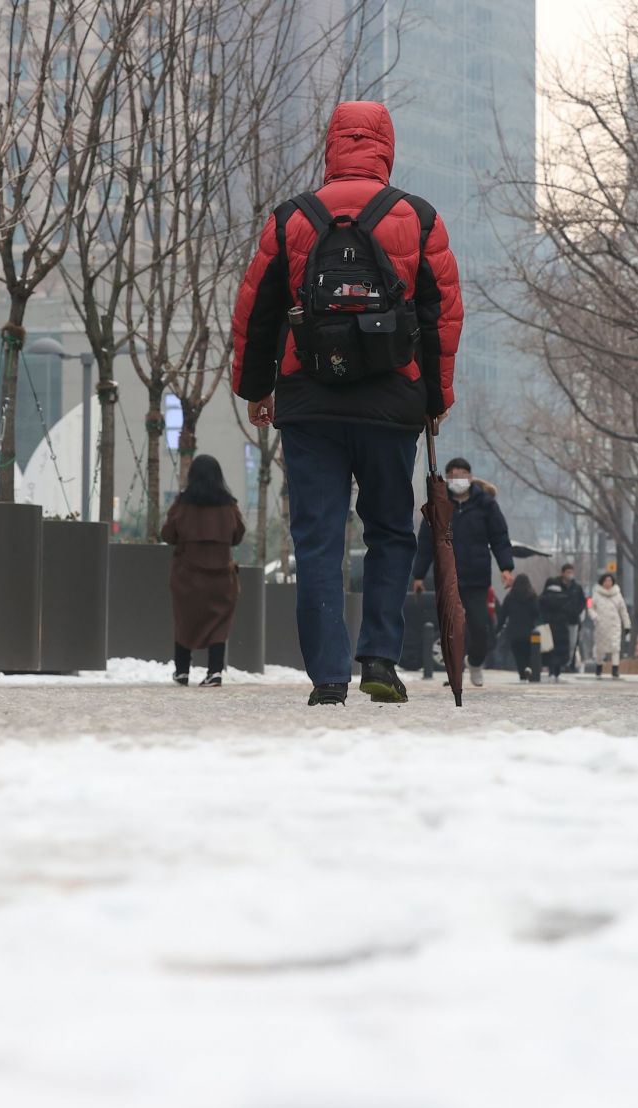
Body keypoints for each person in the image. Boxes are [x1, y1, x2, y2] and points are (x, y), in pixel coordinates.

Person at [231, 100, 463, 706]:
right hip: (392, 405)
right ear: (387, 146)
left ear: (331, 145)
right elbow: (443, 318)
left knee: (318, 539)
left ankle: (328, 676)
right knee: (390, 531)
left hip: (310, 403)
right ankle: (381, 658)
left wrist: (257, 388)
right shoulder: (419, 218)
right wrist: (436, 398)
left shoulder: (292, 218)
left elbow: (254, 312)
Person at [413, 459, 514, 687]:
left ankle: (475, 662)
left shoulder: (486, 505)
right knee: (450, 629)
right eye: (453, 475)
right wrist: (418, 575)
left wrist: (506, 568)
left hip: (477, 578)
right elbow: (425, 543)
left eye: (462, 474)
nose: (458, 479)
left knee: (480, 629)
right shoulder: (438, 506)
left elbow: (499, 538)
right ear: (447, 478)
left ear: (470, 477)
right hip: (448, 577)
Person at [160, 455, 245, 687]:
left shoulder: (182, 504)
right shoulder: (229, 505)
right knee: (218, 623)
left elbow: (167, 534)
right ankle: (214, 671)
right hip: (221, 577)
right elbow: (238, 535)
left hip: (187, 575)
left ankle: (182, 671)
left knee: (185, 620)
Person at [497, 574, 539, 681]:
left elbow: (503, 615)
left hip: (514, 633)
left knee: (518, 655)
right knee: (529, 653)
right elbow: (537, 612)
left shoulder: (510, 597)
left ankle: (522, 673)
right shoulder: (533, 597)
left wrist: (497, 630)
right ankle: (528, 668)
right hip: (529, 633)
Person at [591, 572, 631, 679]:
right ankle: (599, 666)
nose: (608, 583)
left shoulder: (617, 594)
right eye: (606, 581)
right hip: (601, 625)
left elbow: (623, 610)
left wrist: (627, 625)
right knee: (600, 648)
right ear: (602, 582)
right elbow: (590, 607)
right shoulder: (596, 594)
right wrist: (594, 616)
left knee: (615, 647)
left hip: (614, 625)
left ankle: (615, 669)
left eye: (610, 581)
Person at [538, 575, 571, 681]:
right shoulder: (565, 598)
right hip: (561, 628)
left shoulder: (542, 598)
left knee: (549, 650)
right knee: (559, 650)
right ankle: (557, 671)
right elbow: (570, 612)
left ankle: (551, 670)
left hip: (547, 628)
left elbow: (538, 613)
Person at [559, 562, 586, 671]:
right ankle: (561, 664)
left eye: (571, 572)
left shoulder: (577, 588)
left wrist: (577, 611)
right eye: (568, 572)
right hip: (560, 620)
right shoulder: (558, 585)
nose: (570, 574)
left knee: (572, 643)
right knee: (561, 642)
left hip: (573, 620)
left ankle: (569, 664)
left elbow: (582, 602)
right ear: (563, 573)